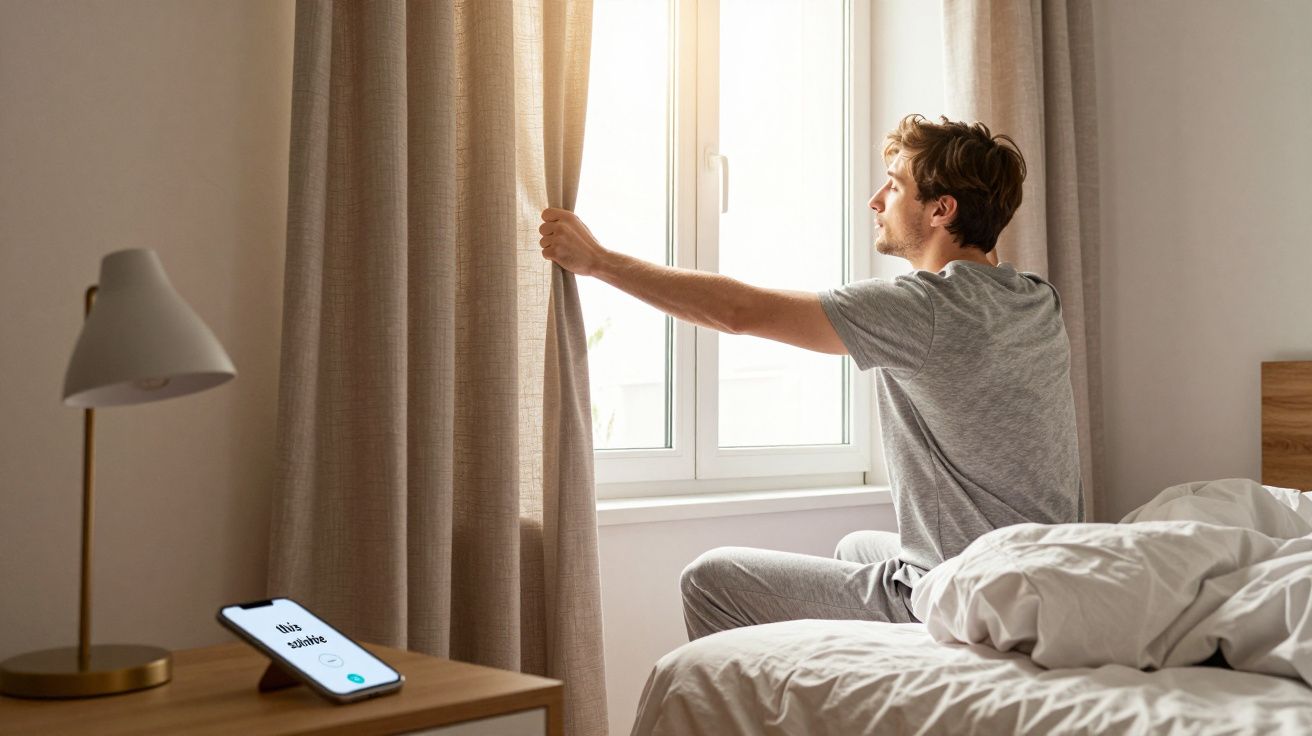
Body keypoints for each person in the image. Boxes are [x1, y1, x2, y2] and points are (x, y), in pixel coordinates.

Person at [537, 114, 1082, 638]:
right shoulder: (1036, 298)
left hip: (963, 591)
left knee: (710, 578)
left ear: (941, 209)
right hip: (1041, 578)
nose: (875, 200)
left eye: (893, 187)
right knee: (855, 546)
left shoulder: (926, 308)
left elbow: (739, 312)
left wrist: (599, 262)